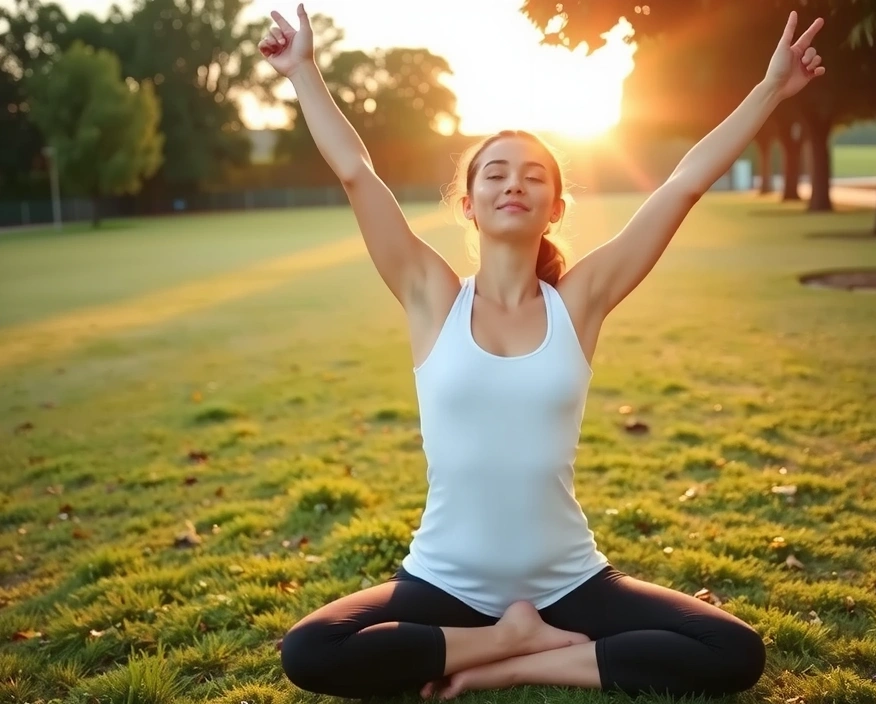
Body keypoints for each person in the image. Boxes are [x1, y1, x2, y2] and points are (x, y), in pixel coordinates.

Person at [260, 4, 825, 701]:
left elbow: (683, 183)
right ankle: (504, 638)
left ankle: (521, 658)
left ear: (555, 206)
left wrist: (770, 86)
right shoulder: (431, 297)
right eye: (494, 173)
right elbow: (356, 172)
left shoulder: (578, 303)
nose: (513, 184)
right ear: (467, 203)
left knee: (732, 651)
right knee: (311, 651)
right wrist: (303, 71)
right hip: (445, 582)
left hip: (568, 582)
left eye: (533, 176)